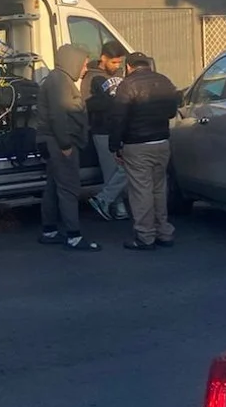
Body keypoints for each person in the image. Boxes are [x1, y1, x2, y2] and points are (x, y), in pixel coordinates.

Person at [107, 52, 180, 251]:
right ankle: (163, 231)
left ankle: (145, 236)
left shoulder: (127, 85)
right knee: (159, 188)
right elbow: (172, 111)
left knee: (141, 191)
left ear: (129, 66)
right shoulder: (164, 81)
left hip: (137, 145)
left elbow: (118, 118)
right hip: (162, 141)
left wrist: (114, 146)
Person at [34, 43, 101, 251]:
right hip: (60, 143)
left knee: (53, 188)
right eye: (83, 64)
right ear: (73, 62)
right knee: (69, 188)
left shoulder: (57, 79)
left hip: (51, 141)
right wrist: (65, 144)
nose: (85, 68)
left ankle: (50, 231)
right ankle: (74, 236)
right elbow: (58, 114)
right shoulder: (60, 81)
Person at [80, 41, 130, 221]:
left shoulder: (120, 74)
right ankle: (115, 204)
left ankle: (107, 200)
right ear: (103, 58)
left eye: (119, 62)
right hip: (102, 129)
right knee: (111, 170)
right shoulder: (91, 77)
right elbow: (86, 103)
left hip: (121, 128)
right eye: (114, 62)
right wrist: (111, 102)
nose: (117, 66)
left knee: (125, 167)